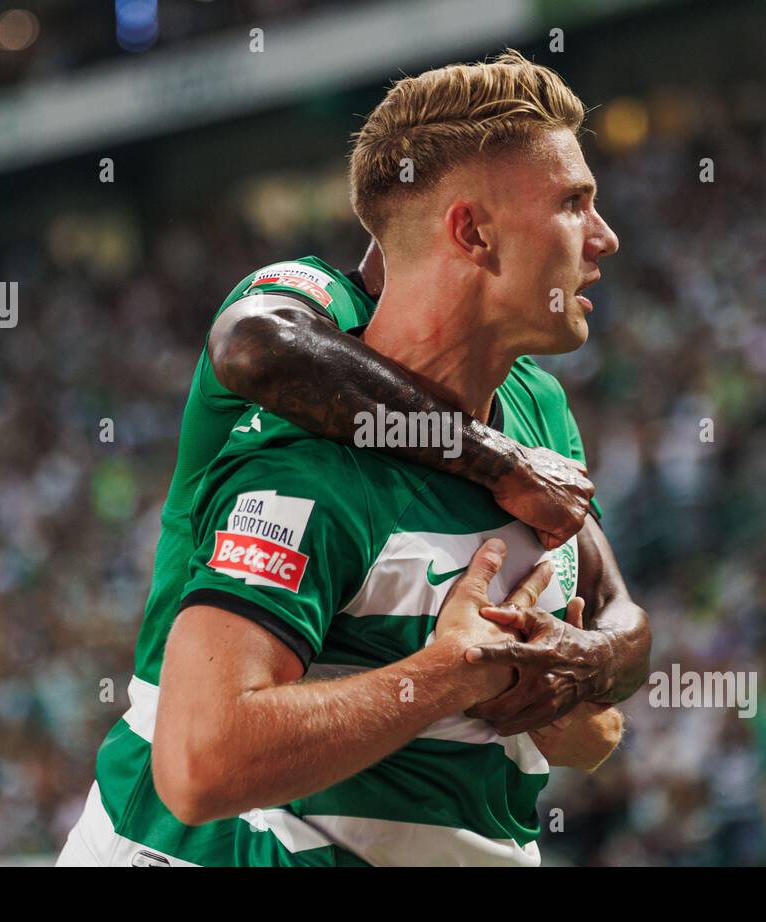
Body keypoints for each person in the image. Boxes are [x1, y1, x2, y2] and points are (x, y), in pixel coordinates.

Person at [58, 50, 650, 866]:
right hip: (178, 840)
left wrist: (574, 674)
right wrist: (458, 665)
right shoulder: (309, 399)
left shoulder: (539, 407)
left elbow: (602, 699)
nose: (606, 237)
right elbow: (253, 348)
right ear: (472, 231)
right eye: (573, 203)